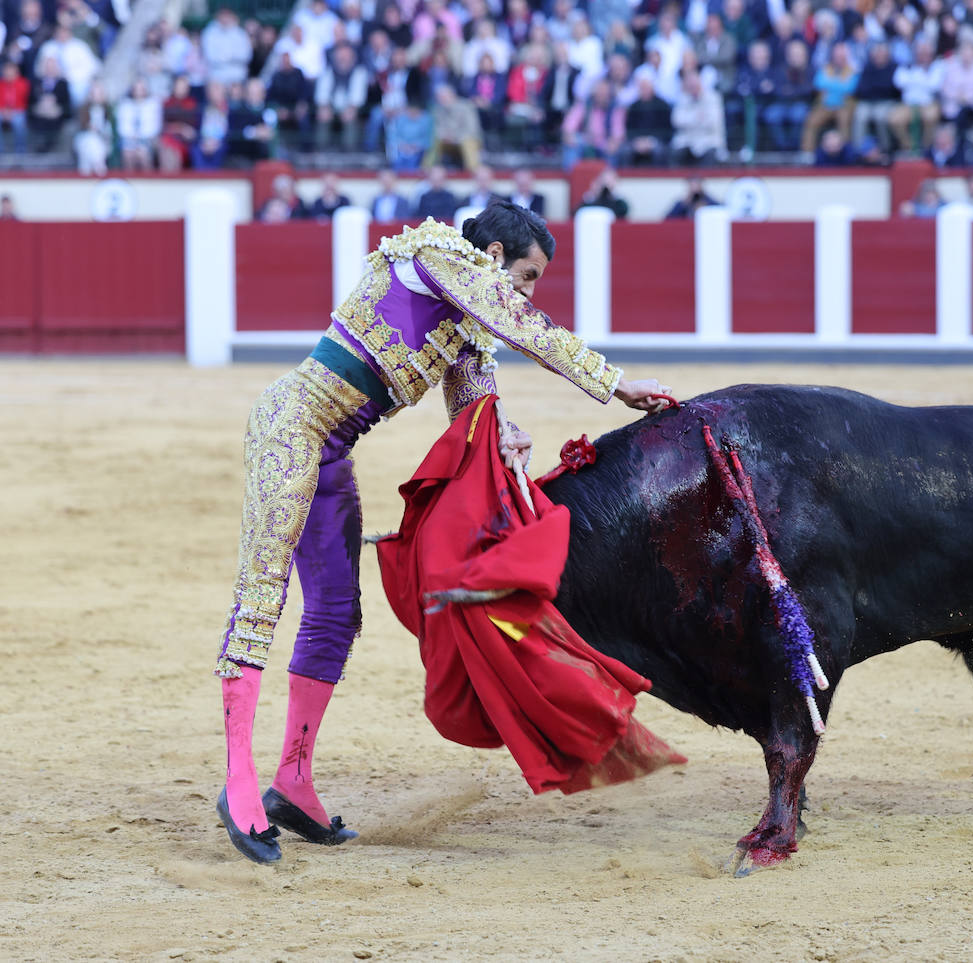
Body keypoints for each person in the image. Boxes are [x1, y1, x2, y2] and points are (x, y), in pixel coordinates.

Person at [214, 204, 673, 864]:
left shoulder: (464, 325)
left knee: (338, 614)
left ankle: (293, 780)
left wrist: (502, 432)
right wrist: (615, 382)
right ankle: (237, 782)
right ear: (489, 252)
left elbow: (473, 408)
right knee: (263, 599)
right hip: (290, 428)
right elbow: (521, 324)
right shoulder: (432, 256)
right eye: (527, 273)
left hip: (332, 448)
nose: (528, 289)